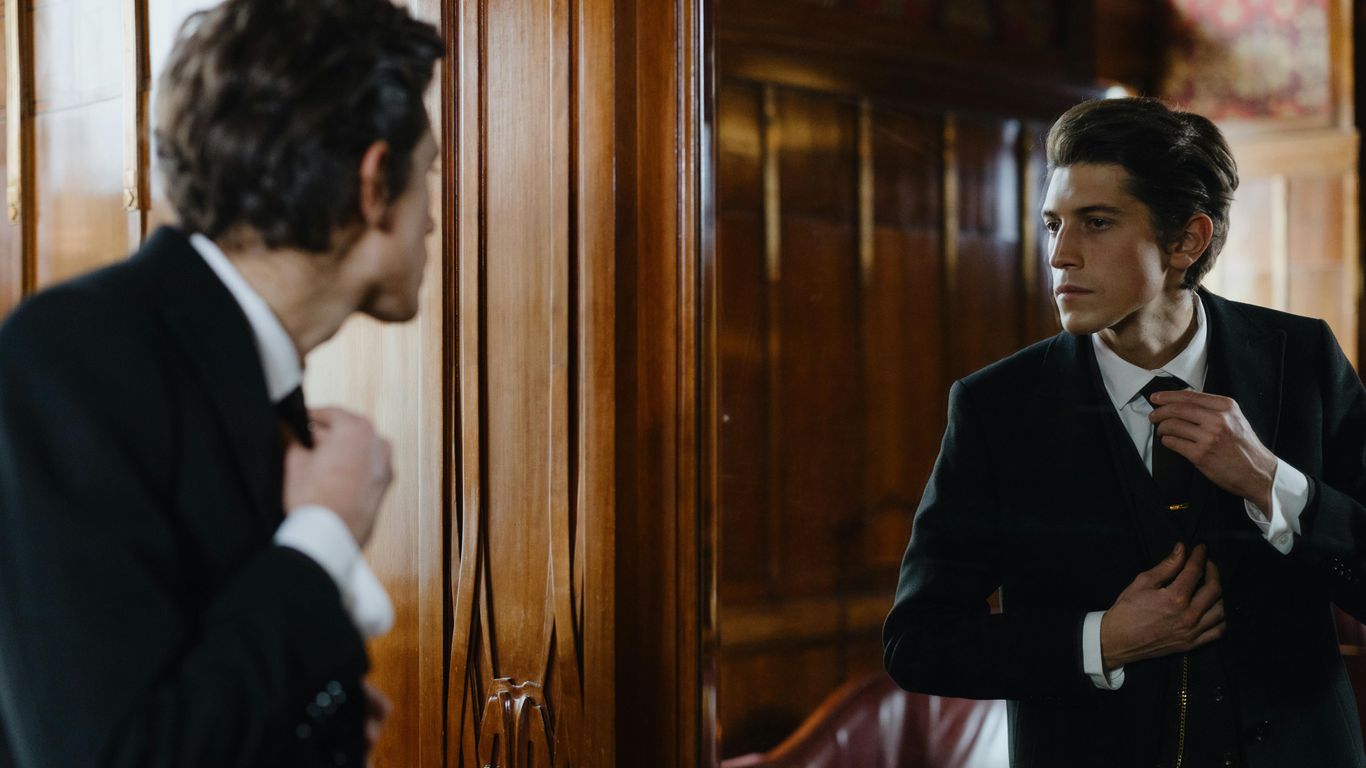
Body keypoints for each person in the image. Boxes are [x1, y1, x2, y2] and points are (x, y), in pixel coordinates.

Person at [0, 1, 441, 765]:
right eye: (429, 172)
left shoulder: (250, 371)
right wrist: (325, 532)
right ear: (374, 185)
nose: (432, 221)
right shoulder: (67, 358)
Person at [884, 96, 1366, 767]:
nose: (1059, 255)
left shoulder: (1303, 361)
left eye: (1096, 223)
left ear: (1186, 240)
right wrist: (1101, 641)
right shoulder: (997, 407)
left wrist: (1273, 482)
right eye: (1053, 224)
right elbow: (919, 642)